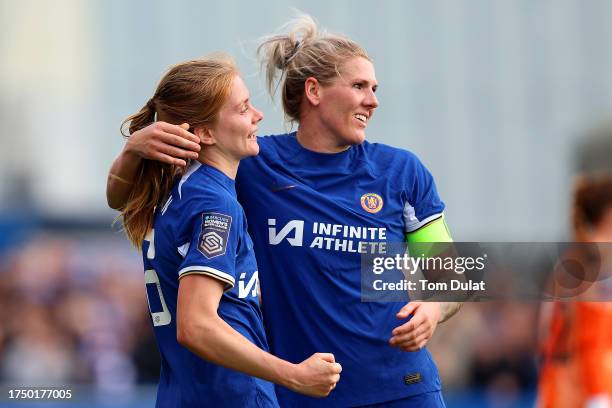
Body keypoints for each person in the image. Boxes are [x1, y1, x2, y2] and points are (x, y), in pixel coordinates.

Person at [107, 16, 461, 407]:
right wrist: (132, 150)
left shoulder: (400, 171)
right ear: (314, 91)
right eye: (359, 86)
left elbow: (455, 274)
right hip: (300, 391)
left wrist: (432, 309)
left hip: (402, 388)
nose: (373, 100)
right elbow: (135, 200)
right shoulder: (254, 166)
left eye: (374, 88)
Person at [114, 54, 341, 408]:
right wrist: (292, 374)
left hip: (184, 395)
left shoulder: (176, 187)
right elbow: (196, 325)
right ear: (204, 133)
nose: (258, 115)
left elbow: (116, 195)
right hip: (232, 396)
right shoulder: (213, 204)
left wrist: (130, 151)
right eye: (243, 108)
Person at [537, 175, 612, 408]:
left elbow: (544, 333)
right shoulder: (591, 261)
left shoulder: (577, 258)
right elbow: (589, 341)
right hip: (578, 390)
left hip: (567, 386)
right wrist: (598, 398)